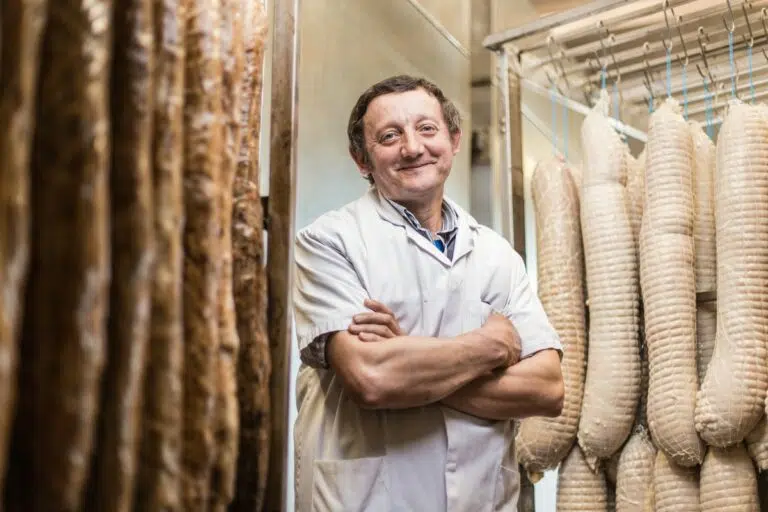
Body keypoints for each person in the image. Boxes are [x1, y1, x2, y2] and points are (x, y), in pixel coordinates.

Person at [292, 74, 564, 512]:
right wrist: (490, 346)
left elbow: (547, 391)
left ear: (453, 140)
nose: (413, 147)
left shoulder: (497, 254)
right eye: (389, 136)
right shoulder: (329, 241)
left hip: (482, 498)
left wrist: (405, 354)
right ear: (362, 160)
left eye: (427, 129)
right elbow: (372, 380)